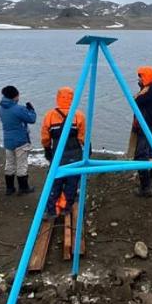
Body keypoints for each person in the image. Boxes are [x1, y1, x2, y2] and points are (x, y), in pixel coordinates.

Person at [40, 87, 86, 218]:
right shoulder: (78, 115)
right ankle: (66, 207)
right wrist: (87, 149)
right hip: (75, 153)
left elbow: (45, 136)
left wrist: (47, 149)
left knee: (55, 180)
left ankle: (52, 210)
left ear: (58, 98)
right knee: (72, 181)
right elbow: (82, 137)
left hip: (58, 152)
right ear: (73, 98)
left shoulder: (50, 115)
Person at [0, 85, 36, 195]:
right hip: (20, 140)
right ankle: (23, 188)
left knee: (9, 163)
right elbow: (32, 119)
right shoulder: (18, 109)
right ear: (14, 96)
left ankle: (10, 188)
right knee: (22, 164)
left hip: (8, 140)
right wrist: (31, 110)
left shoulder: (1, 109)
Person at [131, 65, 152, 197]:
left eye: (141, 77)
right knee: (148, 154)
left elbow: (135, 100)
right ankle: (148, 185)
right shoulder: (150, 87)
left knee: (140, 155)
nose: (140, 79)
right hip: (147, 124)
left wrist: (141, 90)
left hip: (147, 125)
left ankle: (146, 187)